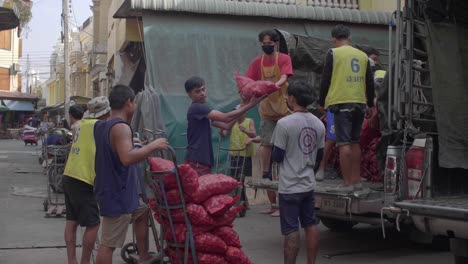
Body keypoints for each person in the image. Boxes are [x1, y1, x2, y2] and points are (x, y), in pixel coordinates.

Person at [94, 85, 168, 264]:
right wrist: (153, 145)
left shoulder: (101, 125)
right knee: (108, 244)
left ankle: (143, 256)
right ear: (129, 103)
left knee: (142, 212)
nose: (135, 106)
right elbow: (127, 158)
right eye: (134, 102)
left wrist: (131, 141)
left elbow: (114, 146)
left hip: (121, 191)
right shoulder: (121, 128)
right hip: (116, 193)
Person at [271, 81, 324, 264]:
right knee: (310, 224)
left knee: (291, 229)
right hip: (308, 185)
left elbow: (277, 156)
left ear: (292, 98)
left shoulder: (284, 123)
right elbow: (320, 156)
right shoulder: (319, 124)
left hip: (289, 187)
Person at [319, 24, 375, 193]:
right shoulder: (363, 55)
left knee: (343, 143)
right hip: (359, 102)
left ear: (333, 39)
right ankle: (357, 181)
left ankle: (347, 183)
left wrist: (321, 102)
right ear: (349, 38)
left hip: (341, 102)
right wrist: (370, 104)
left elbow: (325, 79)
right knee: (355, 142)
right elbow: (369, 82)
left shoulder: (333, 53)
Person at [245, 29, 293, 216]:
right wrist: (247, 89)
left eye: (269, 43)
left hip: (284, 111)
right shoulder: (258, 62)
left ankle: (284, 206)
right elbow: (248, 80)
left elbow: (284, 77)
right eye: (263, 43)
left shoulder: (284, 59)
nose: (266, 46)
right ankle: (273, 204)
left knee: (283, 159)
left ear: (276, 43)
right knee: (266, 150)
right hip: (267, 111)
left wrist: (274, 85)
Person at [62, 96, 111, 264]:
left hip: (69, 174)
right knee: (93, 224)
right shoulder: (101, 126)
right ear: (106, 112)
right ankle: (84, 262)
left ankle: (72, 261)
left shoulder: (80, 124)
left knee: (72, 221)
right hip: (83, 178)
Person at [184, 76, 264, 176]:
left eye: (203, 89)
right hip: (197, 160)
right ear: (189, 94)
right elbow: (225, 118)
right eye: (197, 91)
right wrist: (250, 105)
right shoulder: (197, 107)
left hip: (201, 160)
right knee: (199, 190)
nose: (202, 93)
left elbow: (227, 125)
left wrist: (243, 106)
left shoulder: (202, 110)